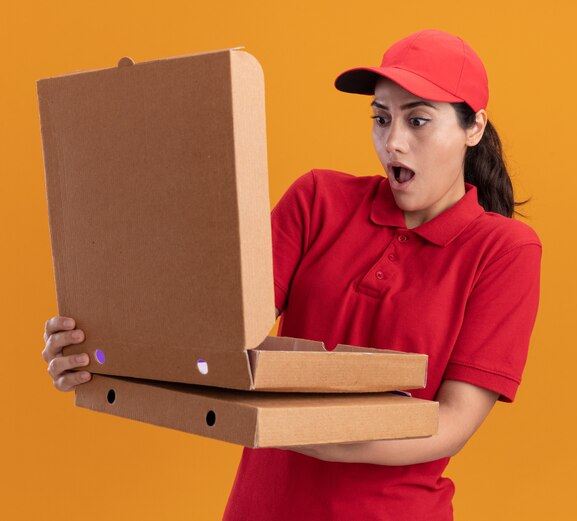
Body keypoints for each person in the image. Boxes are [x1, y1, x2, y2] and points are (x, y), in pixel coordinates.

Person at [42, 28, 542, 521]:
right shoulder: (318, 200)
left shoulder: (504, 250)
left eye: (418, 121)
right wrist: (100, 356)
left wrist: (320, 434)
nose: (394, 143)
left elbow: (453, 421)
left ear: (473, 128)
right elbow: (214, 335)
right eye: (381, 118)